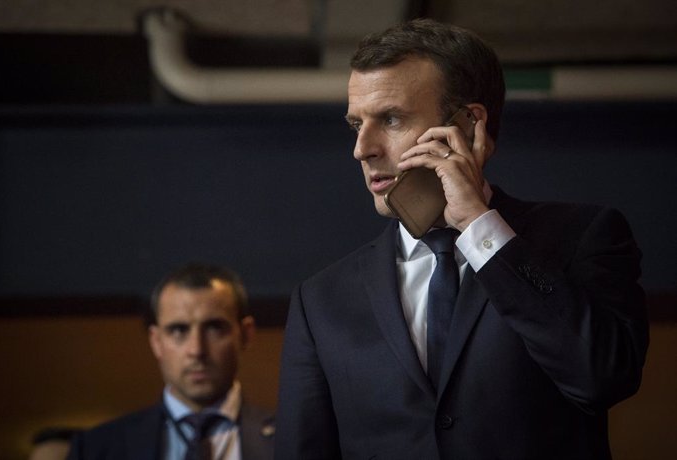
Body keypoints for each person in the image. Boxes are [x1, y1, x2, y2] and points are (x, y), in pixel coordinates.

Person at [275, 18, 649, 460]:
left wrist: (478, 226)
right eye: (356, 124)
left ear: (470, 125)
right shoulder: (320, 301)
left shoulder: (584, 237)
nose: (363, 148)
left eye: (390, 119)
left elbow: (604, 378)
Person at [68, 263, 274, 460]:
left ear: (246, 335)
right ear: (156, 341)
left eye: (215, 328)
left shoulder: (294, 441)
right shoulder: (95, 449)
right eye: (178, 330)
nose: (197, 350)